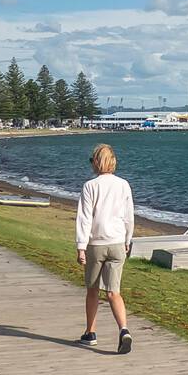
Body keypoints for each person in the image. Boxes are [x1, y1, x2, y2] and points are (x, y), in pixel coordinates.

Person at [75, 143, 135, 353]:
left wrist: (81, 247)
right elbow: (129, 217)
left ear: (96, 163)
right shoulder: (123, 185)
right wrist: (128, 240)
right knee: (113, 292)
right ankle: (124, 329)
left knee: (92, 290)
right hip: (118, 243)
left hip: (96, 244)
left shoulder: (90, 186)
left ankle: (90, 332)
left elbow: (84, 219)